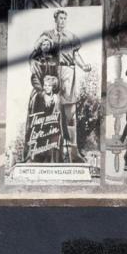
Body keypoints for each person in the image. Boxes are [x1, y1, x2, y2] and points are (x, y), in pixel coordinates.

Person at [33, 10, 93, 161]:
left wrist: (84, 66)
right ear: (55, 19)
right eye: (60, 18)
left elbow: (75, 55)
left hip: (67, 71)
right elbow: (36, 49)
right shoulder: (47, 34)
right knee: (49, 108)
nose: (63, 21)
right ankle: (46, 151)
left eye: (65, 18)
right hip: (51, 71)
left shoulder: (71, 36)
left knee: (69, 111)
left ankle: (72, 152)